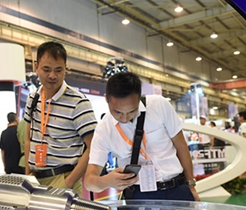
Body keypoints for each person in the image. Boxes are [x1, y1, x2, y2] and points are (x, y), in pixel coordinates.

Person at [85, 72, 199, 201]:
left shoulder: (159, 105)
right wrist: (107, 181)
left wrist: (191, 185)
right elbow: (89, 181)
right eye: (117, 112)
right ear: (106, 99)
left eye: (132, 111)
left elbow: (181, 145)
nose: (124, 117)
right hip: (139, 195)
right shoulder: (104, 129)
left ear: (139, 99)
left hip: (177, 189)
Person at [24, 41, 97, 196]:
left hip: (62, 178)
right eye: (46, 69)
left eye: (58, 70)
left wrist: (68, 182)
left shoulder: (78, 102)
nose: (52, 75)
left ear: (65, 69)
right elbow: (28, 138)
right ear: (36, 66)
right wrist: (27, 173)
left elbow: (94, 146)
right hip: (34, 179)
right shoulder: (33, 98)